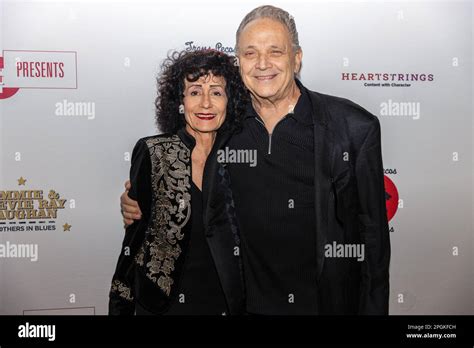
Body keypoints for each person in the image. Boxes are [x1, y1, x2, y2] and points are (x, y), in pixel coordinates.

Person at [121, 5, 391, 315]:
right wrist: (137, 198)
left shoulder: (353, 128)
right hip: (243, 309)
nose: (263, 64)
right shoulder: (225, 124)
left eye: (275, 51)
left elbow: (373, 244)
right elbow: (178, 171)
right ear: (238, 63)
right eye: (250, 54)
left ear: (297, 58)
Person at [109, 49, 248, 315]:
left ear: (230, 101)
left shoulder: (242, 157)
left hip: (228, 303)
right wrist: (119, 305)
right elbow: (134, 242)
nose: (206, 103)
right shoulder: (154, 153)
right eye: (195, 92)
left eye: (217, 92)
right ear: (180, 101)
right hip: (165, 306)